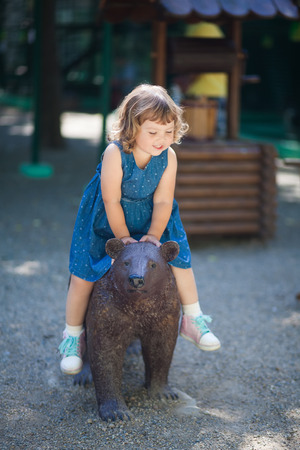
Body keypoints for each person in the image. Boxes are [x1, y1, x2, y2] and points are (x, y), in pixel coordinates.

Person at [58, 84, 221, 375]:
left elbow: (162, 200)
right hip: (107, 219)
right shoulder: (115, 153)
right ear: (132, 127)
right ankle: (72, 337)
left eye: (168, 132)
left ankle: (192, 319)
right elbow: (111, 199)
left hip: (150, 217)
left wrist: (155, 235)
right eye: (153, 132)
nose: (162, 139)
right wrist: (122, 238)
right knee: (82, 273)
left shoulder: (168, 156)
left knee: (181, 260)